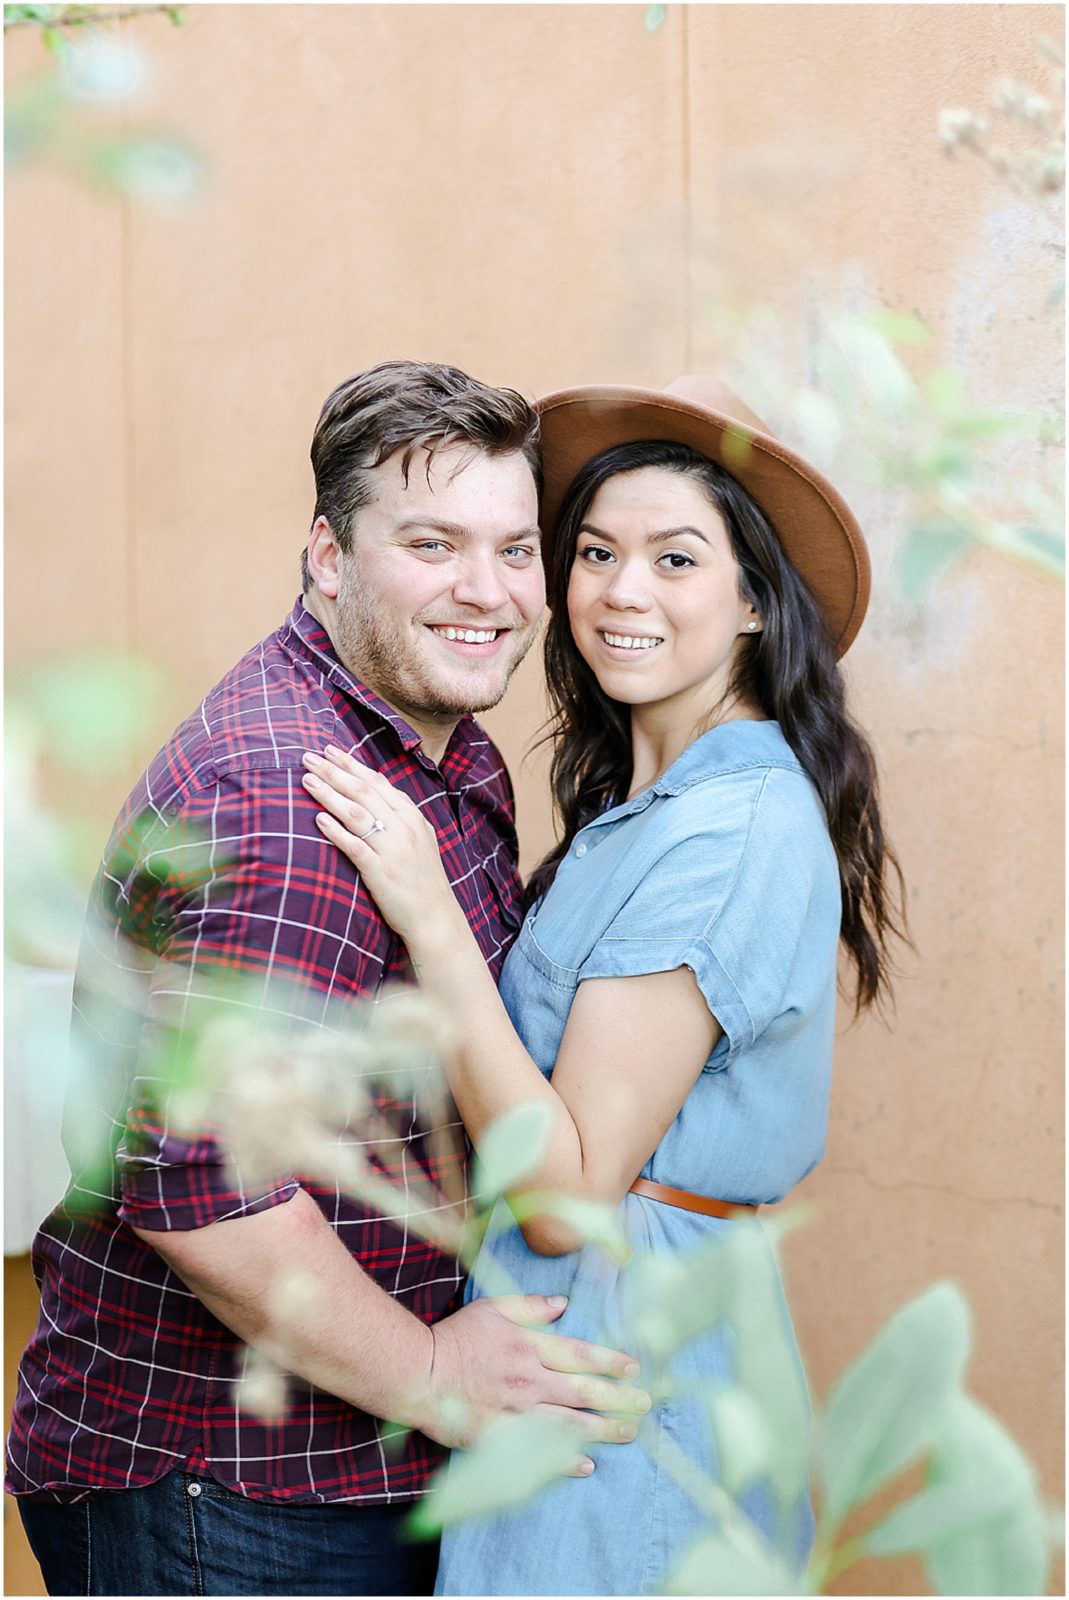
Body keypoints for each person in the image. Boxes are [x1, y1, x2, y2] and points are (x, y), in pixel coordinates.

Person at [6, 360, 650, 1599]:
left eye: (516, 549)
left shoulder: (440, 759)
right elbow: (202, 1190)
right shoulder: (278, 799)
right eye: (432, 542)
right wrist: (430, 1373)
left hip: (343, 1471)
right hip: (219, 1492)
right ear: (327, 555)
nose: (488, 590)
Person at [304, 376, 906, 1595]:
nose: (620, 591)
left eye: (675, 558)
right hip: (580, 1360)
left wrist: (429, 912)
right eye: (593, 551)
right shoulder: (641, 811)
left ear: (751, 601)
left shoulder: (728, 826)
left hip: (624, 1376)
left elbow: (567, 1196)